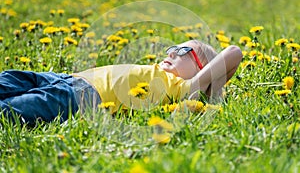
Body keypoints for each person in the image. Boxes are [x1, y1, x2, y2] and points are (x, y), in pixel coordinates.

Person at [0, 40, 243, 125]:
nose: (171, 53)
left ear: (202, 70)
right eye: (171, 49)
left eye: (182, 51)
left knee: (15, 109)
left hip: (84, 97)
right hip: (68, 79)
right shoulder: (159, 71)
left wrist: (205, 84)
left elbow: (233, 52)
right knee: (9, 78)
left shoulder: (183, 88)